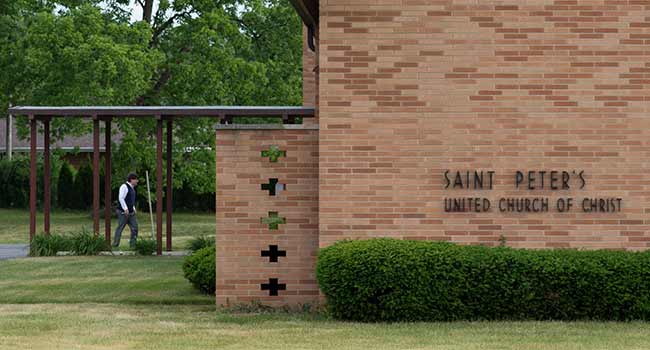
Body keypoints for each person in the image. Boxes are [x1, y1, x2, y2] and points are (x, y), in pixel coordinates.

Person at [113, 173, 139, 249]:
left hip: (131, 213)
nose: (137, 181)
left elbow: (130, 200)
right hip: (123, 212)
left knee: (135, 228)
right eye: (136, 179)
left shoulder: (132, 188)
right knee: (120, 228)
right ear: (131, 180)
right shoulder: (124, 186)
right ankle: (115, 244)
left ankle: (133, 245)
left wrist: (133, 208)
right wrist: (125, 209)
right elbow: (121, 198)